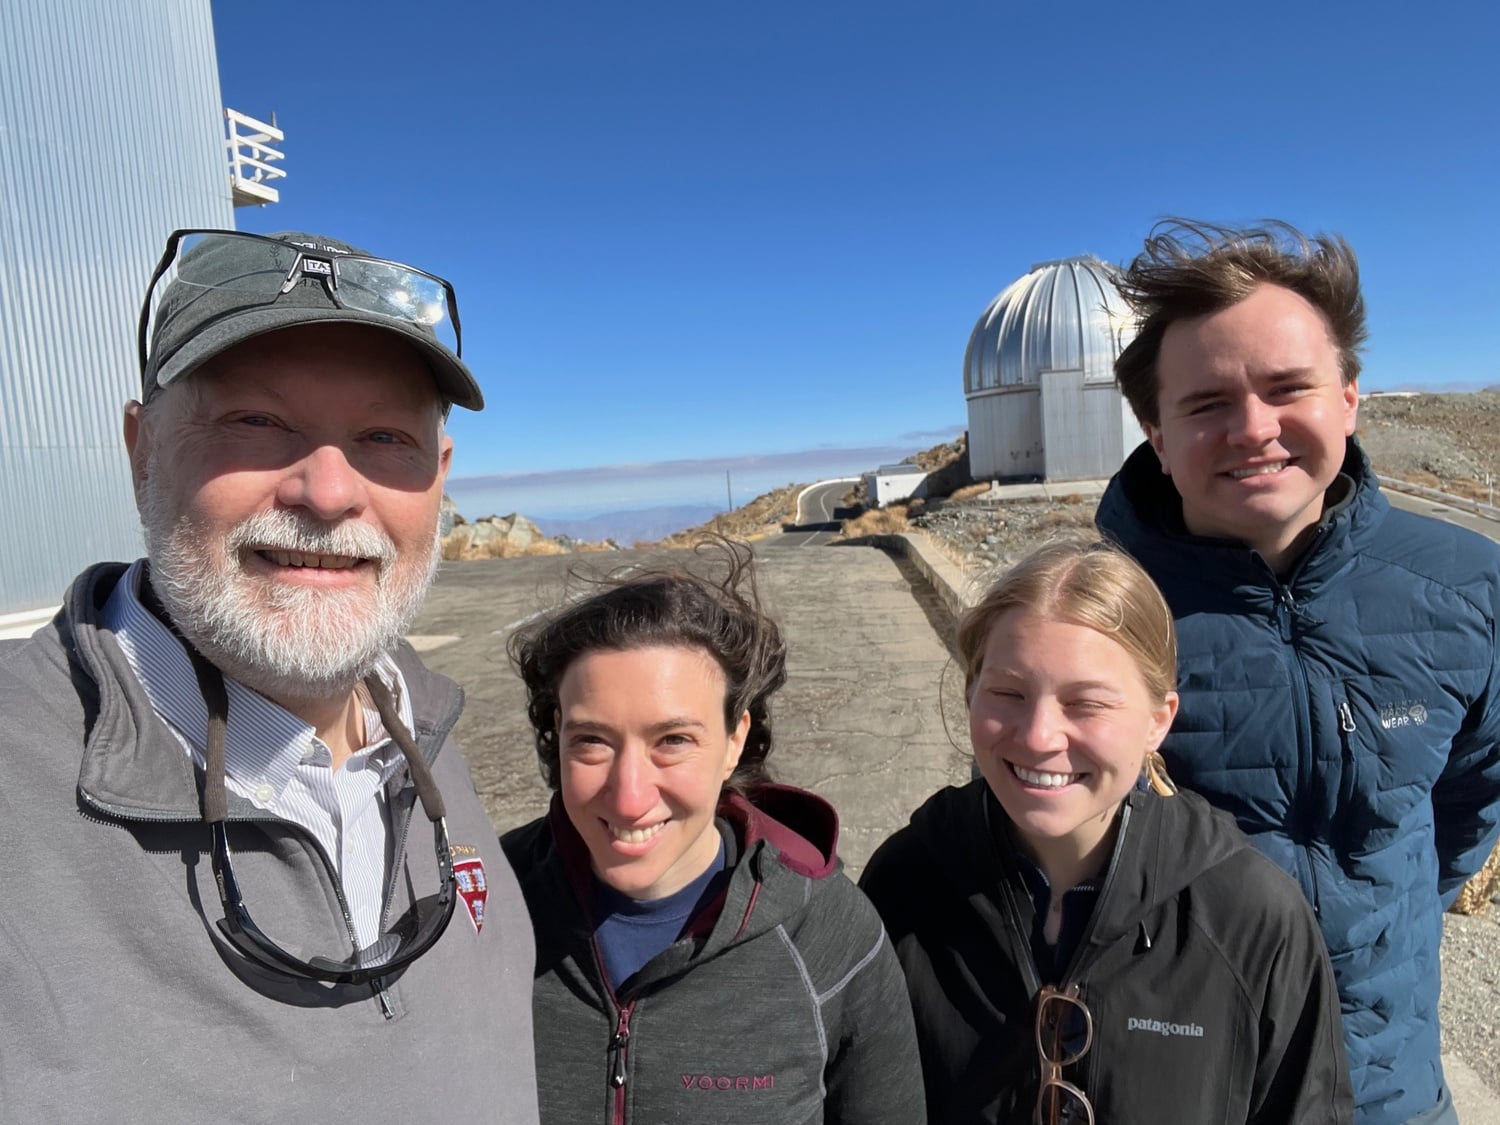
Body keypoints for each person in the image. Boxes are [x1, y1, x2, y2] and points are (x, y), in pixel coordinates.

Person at [0, 229, 539, 1122]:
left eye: (383, 435)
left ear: (439, 480)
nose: (328, 491)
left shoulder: (426, 729)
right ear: (141, 449)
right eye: (255, 420)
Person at [1094, 220, 1500, 1125]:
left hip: (1390, 1097)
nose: (1253, 430)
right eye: (1206, 405)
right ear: (1156, 432)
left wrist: (1386, 917)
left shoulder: (1466, 586)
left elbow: (1471, 797)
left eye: (1288, 389)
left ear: (1350, 396)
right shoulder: (1098, 615)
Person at [860, 538, 1352, 1124]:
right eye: (1007, 694)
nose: (1039, 735)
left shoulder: (1250, 917)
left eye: (1086, 704)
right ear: (972, 691)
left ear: (1157, 720)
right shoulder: (905, 884)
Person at [500, 545, 926, 1125]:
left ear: (734, 739)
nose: (629, 795)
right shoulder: (488, 906)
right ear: (557, 733)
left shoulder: (828, 934)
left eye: (672, 740)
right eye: (593, 740)